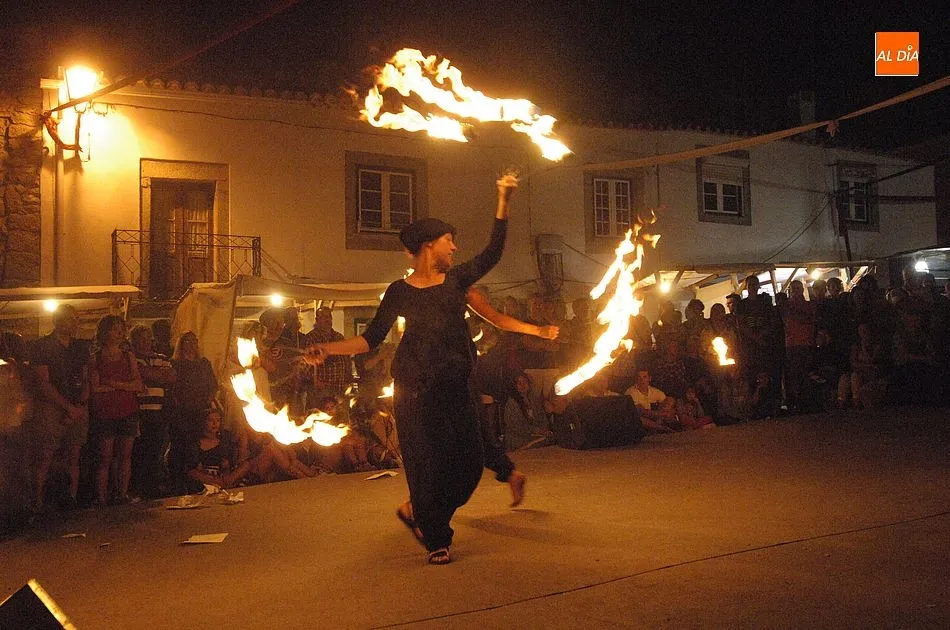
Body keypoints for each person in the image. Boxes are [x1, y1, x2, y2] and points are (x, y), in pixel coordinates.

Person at [306, 173, 518, 565]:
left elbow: (493, 253)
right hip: (414, 390)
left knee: (470, 465)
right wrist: (328, 349)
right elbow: (371, 338)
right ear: (428, 245)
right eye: (449, 240)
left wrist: (503, 199)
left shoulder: (457, 280)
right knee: (425, 467)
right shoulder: (399, 292)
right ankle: (437, 537)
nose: (455, 247)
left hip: (456, 387)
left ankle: (421, 513)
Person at [28, 305, 91, 513]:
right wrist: (67, 407)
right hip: (51, 407)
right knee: (45, 456)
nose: (73, 323)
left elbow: (86, 378)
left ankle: (70, 499)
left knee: (73, 455)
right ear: (57, 320)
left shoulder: (80, 347)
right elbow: (43, 382)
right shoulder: (42, 346)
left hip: (76, 407)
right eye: (68, 318)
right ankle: (37, 502)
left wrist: (79, 406)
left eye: (75, 318)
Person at [89, 316, 144, 506]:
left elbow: (138, 385)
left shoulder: (128, 357)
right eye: (115, 329)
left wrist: (113, 384)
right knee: (105, 456)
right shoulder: (96, 358)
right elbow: (95, 387)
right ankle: (101, 496)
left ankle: (122, 493)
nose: (120, 332)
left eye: (122, 328)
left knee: (125, 455)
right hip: (105, 412)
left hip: (127, 410)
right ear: (105, 332)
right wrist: (125, 386)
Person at [129, 324, 176, 499]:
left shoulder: (161, 358)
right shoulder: (131, 359)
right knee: (138, 450)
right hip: (139, 411)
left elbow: (171, 377)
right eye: (141, 338)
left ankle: (151, 486)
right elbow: (145, 374)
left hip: (159, 411)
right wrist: (157, 374)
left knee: (156, 449)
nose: (145, 342)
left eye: (148, 338)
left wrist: (149, 373)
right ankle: (138, 486)